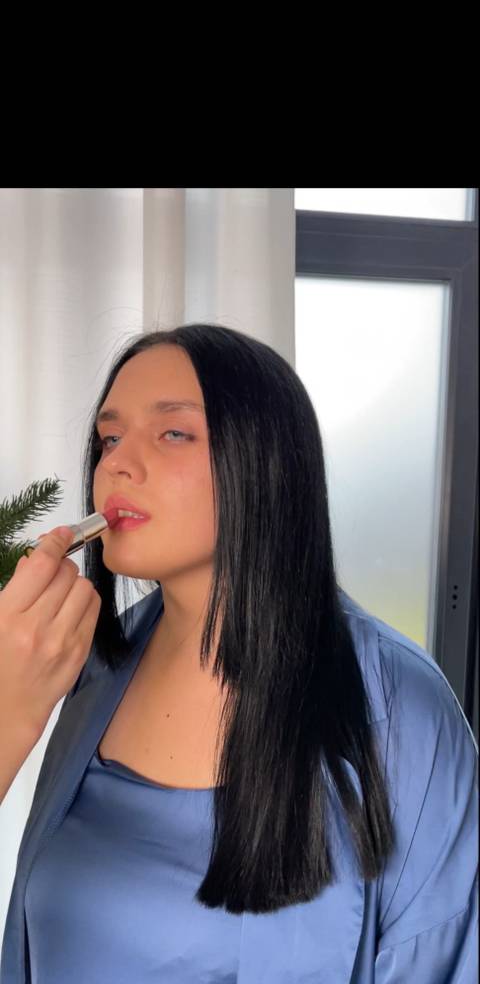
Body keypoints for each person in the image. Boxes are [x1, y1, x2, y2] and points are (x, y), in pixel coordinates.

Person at [1, 323, 478, 983]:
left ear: (266, 460)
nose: (116, 465)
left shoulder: (398, 708)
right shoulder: (96, 669)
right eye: (110, 438)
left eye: (173, 433)